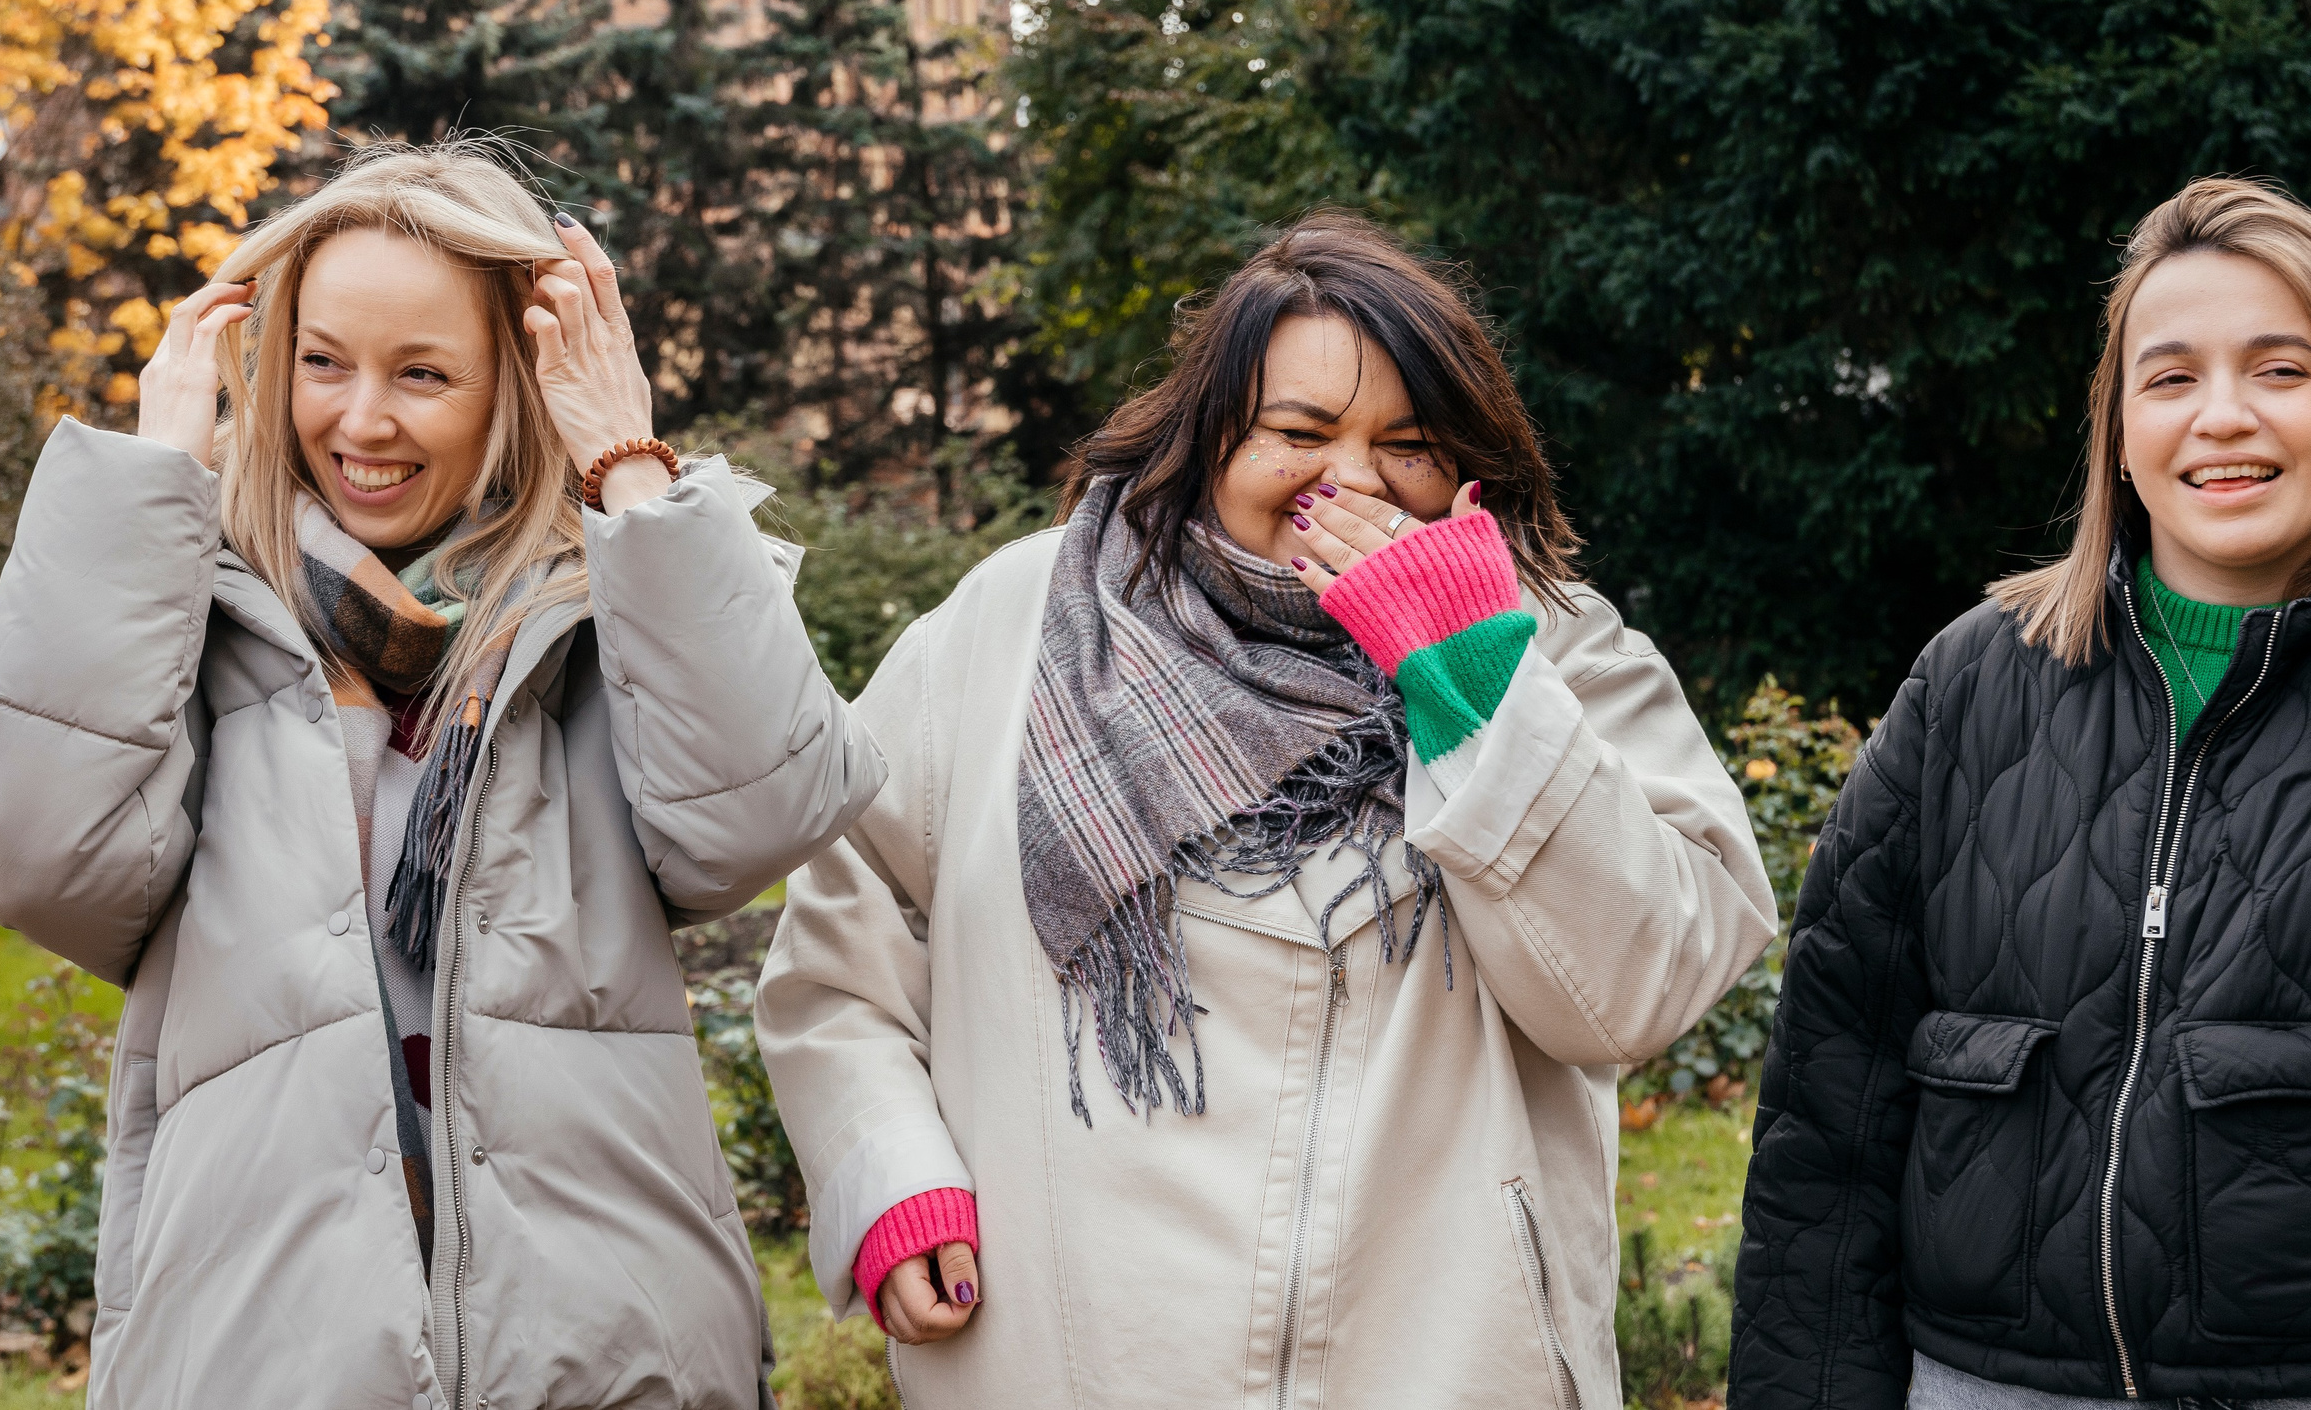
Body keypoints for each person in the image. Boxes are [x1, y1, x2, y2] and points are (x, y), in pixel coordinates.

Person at [0, 144, 884, 1410]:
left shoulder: (614, 606)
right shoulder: (182, 610)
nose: (361, 421)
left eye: (423, 373)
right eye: (323, 362)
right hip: (266, 1351)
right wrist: (146, 488)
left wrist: (631, 470)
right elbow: (32, 853)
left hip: (607, 1353)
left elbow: (759, 816)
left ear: (516, 384)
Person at [753, 213, 1779, 1408]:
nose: (1345, 481)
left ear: (1465, 467)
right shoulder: (1017, 625)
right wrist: (886, 1175)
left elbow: (1640, 986)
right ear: (1209, 441)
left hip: (1442, 1363)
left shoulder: (1552, 649)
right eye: (1297, 433)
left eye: (1405, 444)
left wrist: (1474, 685)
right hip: (1070, 1359)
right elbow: (840, 964)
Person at [1731, 176, 2311, 1410]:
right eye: (2170, 378)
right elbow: (1830, 1105)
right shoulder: (1970, 684)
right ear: (2116, 428)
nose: (2221, 417)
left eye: (2281, 370)